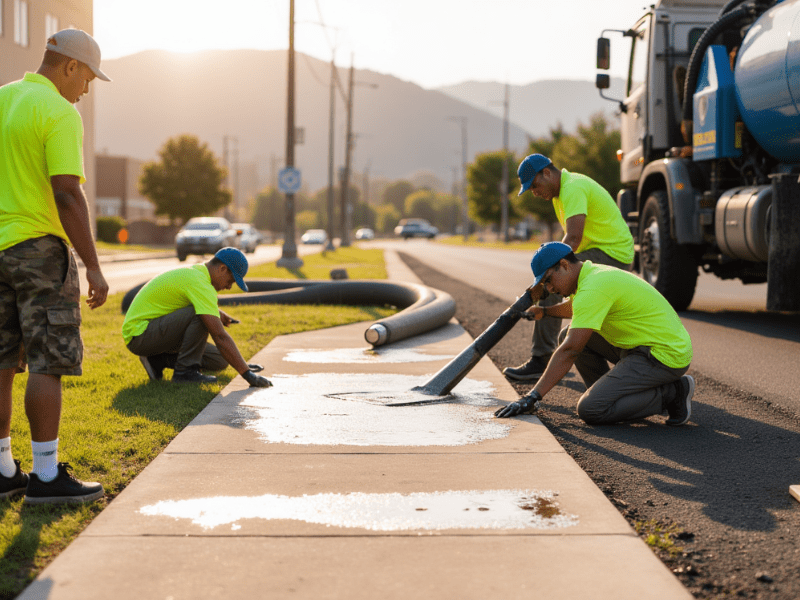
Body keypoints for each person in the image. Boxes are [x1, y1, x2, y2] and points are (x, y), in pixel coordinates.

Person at [0, 29, 111, 504]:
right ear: (69, 66)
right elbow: (67, 193)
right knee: (48, 359)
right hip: (37, 251)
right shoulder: (59, 112)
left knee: (1, 359)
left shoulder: (3, 99)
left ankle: (2, 470)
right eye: (87, 78)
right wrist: (93, 264)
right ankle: (46, 477)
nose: (85, 89)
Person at [495, 242, 694, 426]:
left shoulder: (593, 287)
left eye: (548, 280)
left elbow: (571, 350)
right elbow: (577, 308)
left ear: (564, 265)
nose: (549, 289)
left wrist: (532, 396)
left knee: (591, 409)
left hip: (664, 355)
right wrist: (545, 312)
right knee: (568, 335)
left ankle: (674, 393)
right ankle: (611, 395)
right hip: (640, 345)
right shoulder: (589, 275)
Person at [503, 154, 635, 381]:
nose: (534, 192)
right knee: (556, 283)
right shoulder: (560, 194)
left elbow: (572, 238)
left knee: (552, 282)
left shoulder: (572, 187)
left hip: (612, 253)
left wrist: (543, 279)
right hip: (603, 252)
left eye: (534, 185)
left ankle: (541, 359)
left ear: (547, 173)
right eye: (530, 189)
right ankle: (607, 373)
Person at [122, 247, 273, 388]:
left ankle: (155, 360)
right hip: (139, 334)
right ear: (222, 269)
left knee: (219, 360)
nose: (229, 287)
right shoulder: (200, 282)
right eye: (231, 281)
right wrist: (247, 375)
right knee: (199, 314)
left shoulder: (198, 274)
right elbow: (219, 336)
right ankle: (185, 372)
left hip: (151, 333)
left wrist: (242, 364)